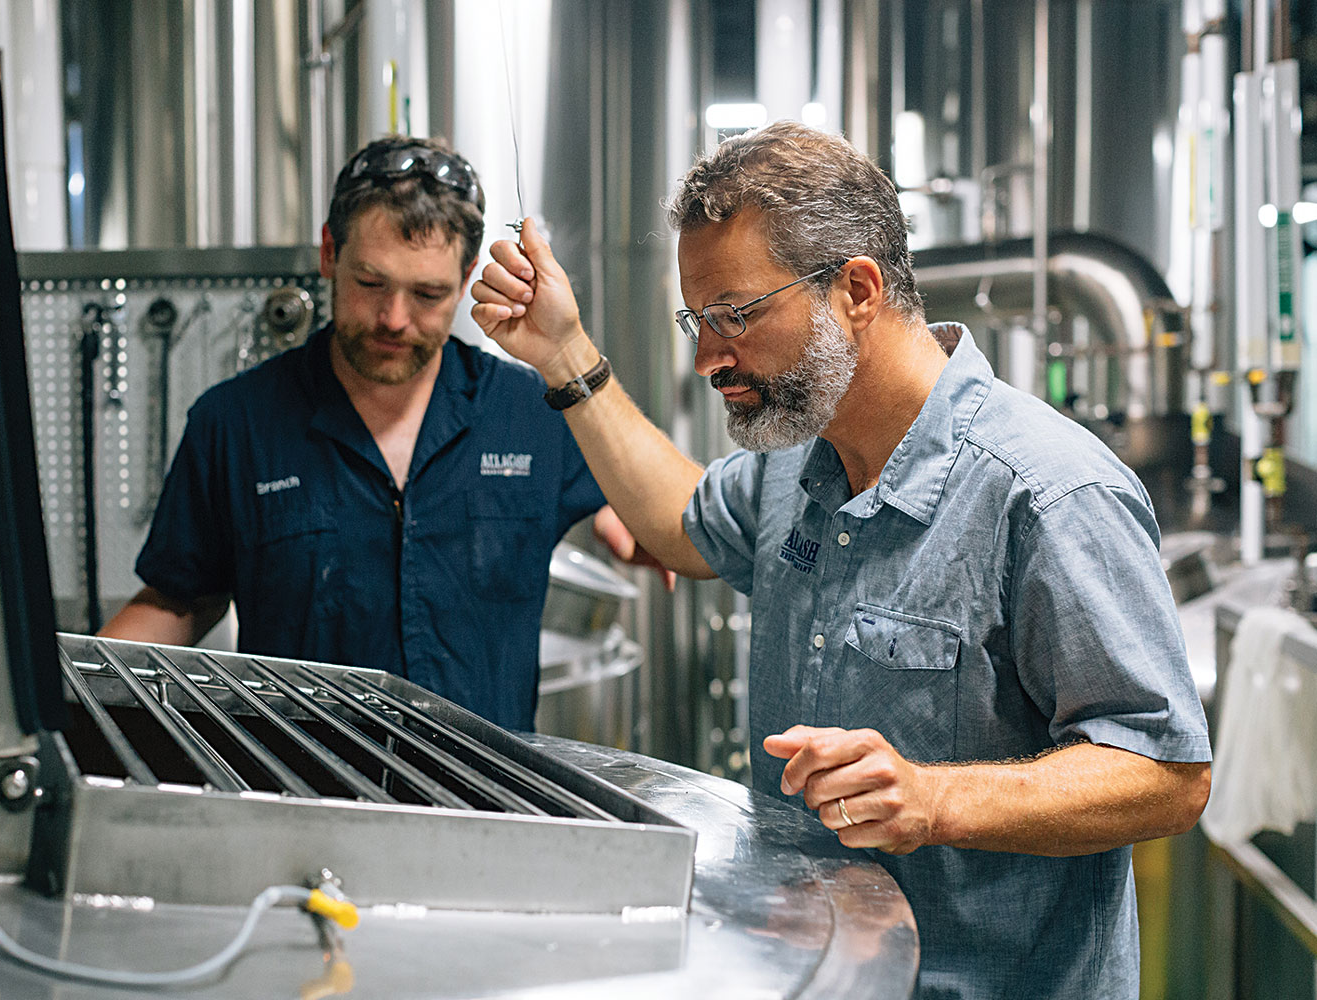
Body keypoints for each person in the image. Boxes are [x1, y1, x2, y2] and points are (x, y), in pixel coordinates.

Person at [470, 120, 1210, 1000]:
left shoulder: (1047, 492)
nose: (709, 356)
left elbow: (1166, 775)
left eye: (736, 315)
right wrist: (563, 354)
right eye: (697, 321)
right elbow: (676, 521)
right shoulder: (798, 463)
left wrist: (933, 800)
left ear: (856, 289)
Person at [102, 135, 656, 731]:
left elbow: (658, 519)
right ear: (329, 253)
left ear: (468, 277)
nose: (394, 319)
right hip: (304, 796)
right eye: (370, 283)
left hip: (487, 803)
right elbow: (179, 599)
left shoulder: (534, 414)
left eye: (427, 294)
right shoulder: (235, 424)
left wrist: (637, 513)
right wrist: (70, 687)